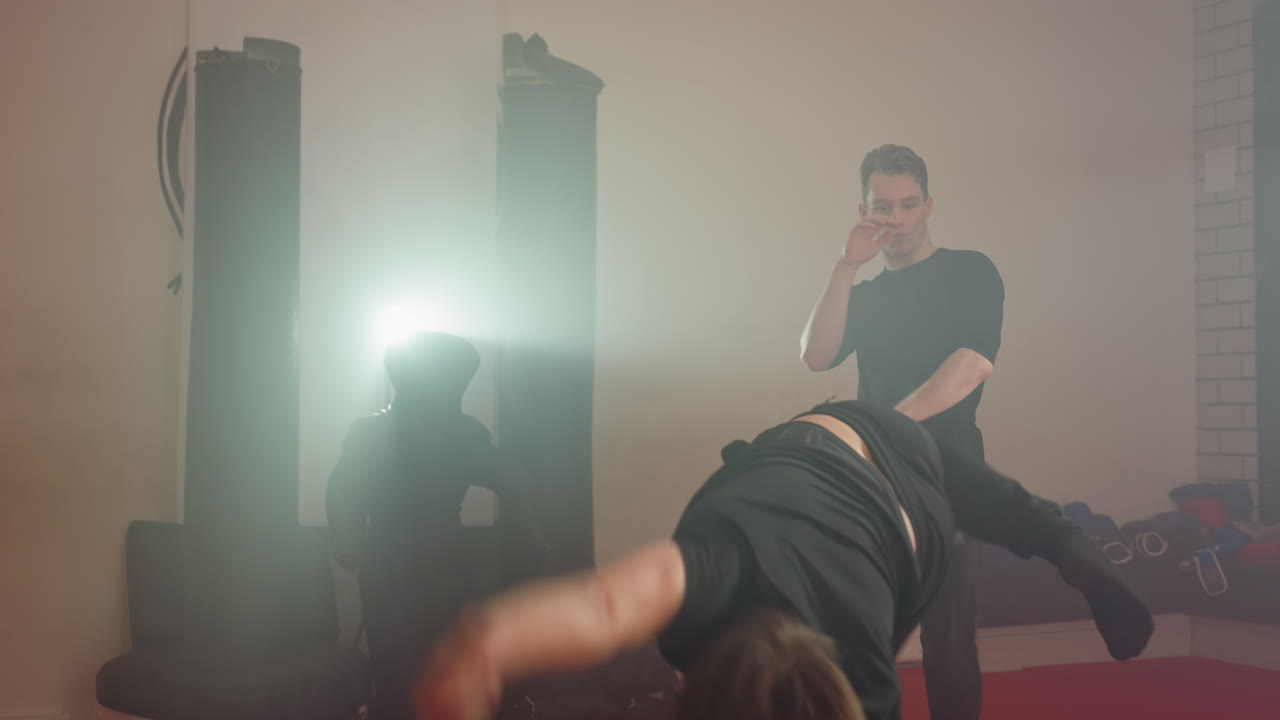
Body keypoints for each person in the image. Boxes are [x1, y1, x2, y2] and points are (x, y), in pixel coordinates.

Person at [413, 400, 1154, 720]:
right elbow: (556, 621)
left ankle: (1067, 545)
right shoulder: (707, 572)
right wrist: (478, 658)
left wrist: (479, 656)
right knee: (1002, 506)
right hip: (839, 450)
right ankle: (1067, 546)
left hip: (892, 492)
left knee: (996, 505)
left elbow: (505, 637)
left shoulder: (856, 665)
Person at [800, 143, 1002, 720]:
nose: (896, 217)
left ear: (928, 205)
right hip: (874, 477)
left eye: (908, 204)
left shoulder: (970, 270)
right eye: (882, 205)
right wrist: (846, 266)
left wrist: (886, 424)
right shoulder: (865, 294)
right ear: (864, 208)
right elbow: (815, 356)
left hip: (950, 476)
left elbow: (972, 363)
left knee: (949, 642)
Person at [326, 331, 545, 720]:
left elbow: (343, 490)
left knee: (398, 658)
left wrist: (349, 543)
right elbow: (519, 483)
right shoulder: (460, 434)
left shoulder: (372, 432)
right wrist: (532, 545)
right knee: (425, 659)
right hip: (439, 561)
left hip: (392, 562)